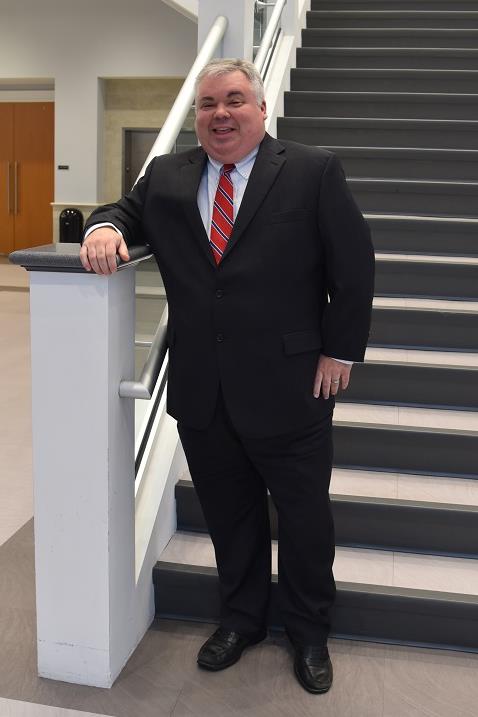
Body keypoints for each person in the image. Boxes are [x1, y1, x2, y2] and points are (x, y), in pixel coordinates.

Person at [80, 58, 374, 695]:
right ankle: (242, 619)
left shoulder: (310, 171)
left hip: (293, 385)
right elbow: (123, 209)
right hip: (204, 389)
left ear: (261, 110)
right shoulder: (167, 175)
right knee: (229, 515)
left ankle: (308, 630)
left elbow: (354, 268)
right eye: (208, 104)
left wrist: (339, 353)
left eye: (234, 100)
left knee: (303, 519)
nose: (220, 114)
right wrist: (104, 227)